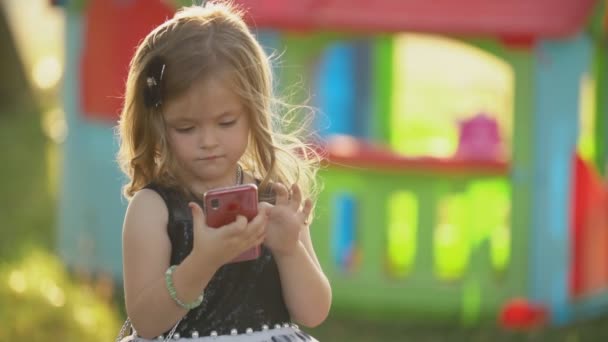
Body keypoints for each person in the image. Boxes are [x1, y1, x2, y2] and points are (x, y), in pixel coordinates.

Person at [116, 2, 331, 341]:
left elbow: (314, 312)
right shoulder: (153, 208)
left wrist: (290, 249)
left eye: (226, 122)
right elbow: (146, 321)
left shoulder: (274, 200)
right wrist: (203, 261)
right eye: (186, 128)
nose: (208, 141)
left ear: (253, 111)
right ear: (157, 123)